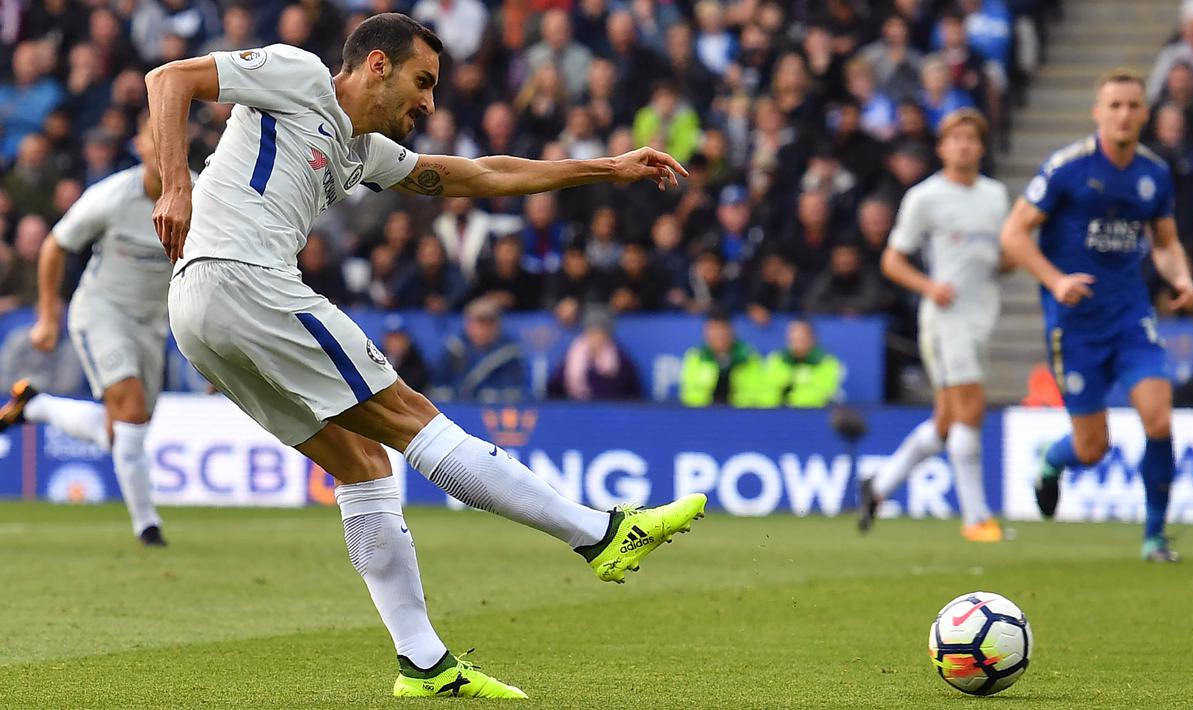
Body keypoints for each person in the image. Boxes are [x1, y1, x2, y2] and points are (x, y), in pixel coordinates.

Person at [144, 15, 704, 699]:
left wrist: (603, 168)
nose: (430, 103)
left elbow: (478, 174)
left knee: (363, 464)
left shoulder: (361, 150)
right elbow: (169, 78)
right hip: (241, 277)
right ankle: (599, 533)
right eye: (423, 81)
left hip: (201, 311)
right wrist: (174, 184)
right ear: (377, 65)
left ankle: (424, 662)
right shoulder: (297, 74)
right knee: (413, 418)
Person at [1000, 69, 1193, 563]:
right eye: (1114, 106)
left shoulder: (1153, 174)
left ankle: (1154, 538)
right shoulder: (1067, 168)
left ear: (1145, 114)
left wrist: (1183, 278)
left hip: (1131, 315)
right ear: (1097, 113)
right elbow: (1013, 234)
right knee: (1092, 448)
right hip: (1076, 326)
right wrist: (1055, 280)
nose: (1124, 114)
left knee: (1158, 417)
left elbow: (1166, 243)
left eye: (1133, 105)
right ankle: (1052, 461)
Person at [0, 115, 178, 547]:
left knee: (125, 431)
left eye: (171, 138)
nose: (163, 147)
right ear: (139, 147)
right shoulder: (111, 197)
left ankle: (37, 407)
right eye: (154, 139)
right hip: (102, 312)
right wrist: (46, 316)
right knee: (131, 411)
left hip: (153, 323)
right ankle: (147, 526)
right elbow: (55, 245)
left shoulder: (199, 195)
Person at [859, 109, 1010, 542]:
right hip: (946, 320)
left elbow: (1003, 257)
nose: (963, 145)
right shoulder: (925, 197)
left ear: (981, 146)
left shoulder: (996, 196)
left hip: (982, 315)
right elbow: (892, 259)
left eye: (971, 138)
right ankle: (976, 518)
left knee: (945, 423)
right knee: (971, 408)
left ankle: (879, 486)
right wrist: (929, 286)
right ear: (942, 147)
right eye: (955, 138)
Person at [432, 298, 528, 403]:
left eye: (489, 323)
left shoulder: (509, 353)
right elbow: (439, 384)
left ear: (497, 325)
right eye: (479, 322)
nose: (483, 329)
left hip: (491, 412)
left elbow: (513, 388)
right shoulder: (454, 349)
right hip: (456, 410)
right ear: (468, 324)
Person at [546, 308, 641, 401]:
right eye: (591, 332)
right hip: (576, 408)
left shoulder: (619, 358)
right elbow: (555, 386)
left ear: (607, 335)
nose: (595, 338)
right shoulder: (574, 353)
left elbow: (628, 390)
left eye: (599, 333)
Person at [679, 309, 762, 408]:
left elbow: (759, 393)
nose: (719, 335)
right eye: (713, 329)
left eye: (722, 329)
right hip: (705, 415)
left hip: (741, 415)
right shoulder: (695, 357)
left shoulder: (749, 356)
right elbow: (689, 395)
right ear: (706, 332)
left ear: (732, 331)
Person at [761, 319, 844, 408]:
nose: (796, 338)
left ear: (812, 338)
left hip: (813, 415)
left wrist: (789, 393)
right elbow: (769, 390)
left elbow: (821, 394)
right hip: (776, 414)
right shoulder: (777, 358)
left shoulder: (828, 362)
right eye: (792, 334)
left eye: (801, 335)